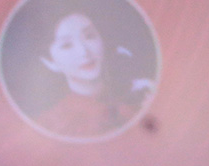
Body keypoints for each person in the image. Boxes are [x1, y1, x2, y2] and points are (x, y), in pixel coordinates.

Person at [33, 11, 148, 139]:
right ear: (50, 62)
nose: (84, 52)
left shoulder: (142, 95)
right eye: (67, 45)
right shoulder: (50, 125)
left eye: (89, 36)